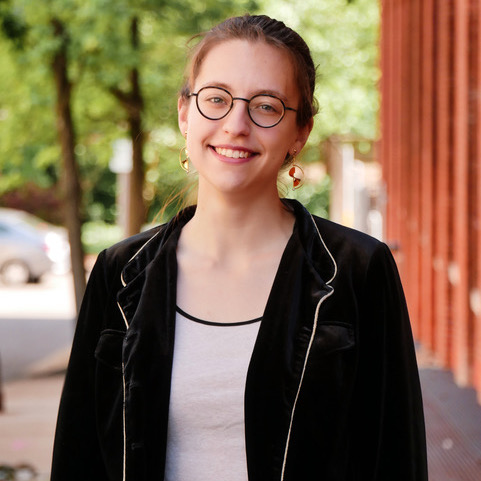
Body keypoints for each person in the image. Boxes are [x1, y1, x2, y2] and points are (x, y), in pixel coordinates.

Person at [51, 14, 428, 481]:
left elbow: (396, 456)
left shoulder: (357, 269)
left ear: (300, 133)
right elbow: (78, 456)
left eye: (266, 106)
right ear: (184, 113)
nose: (235, 125)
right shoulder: (120, 271)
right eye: (216, 99)